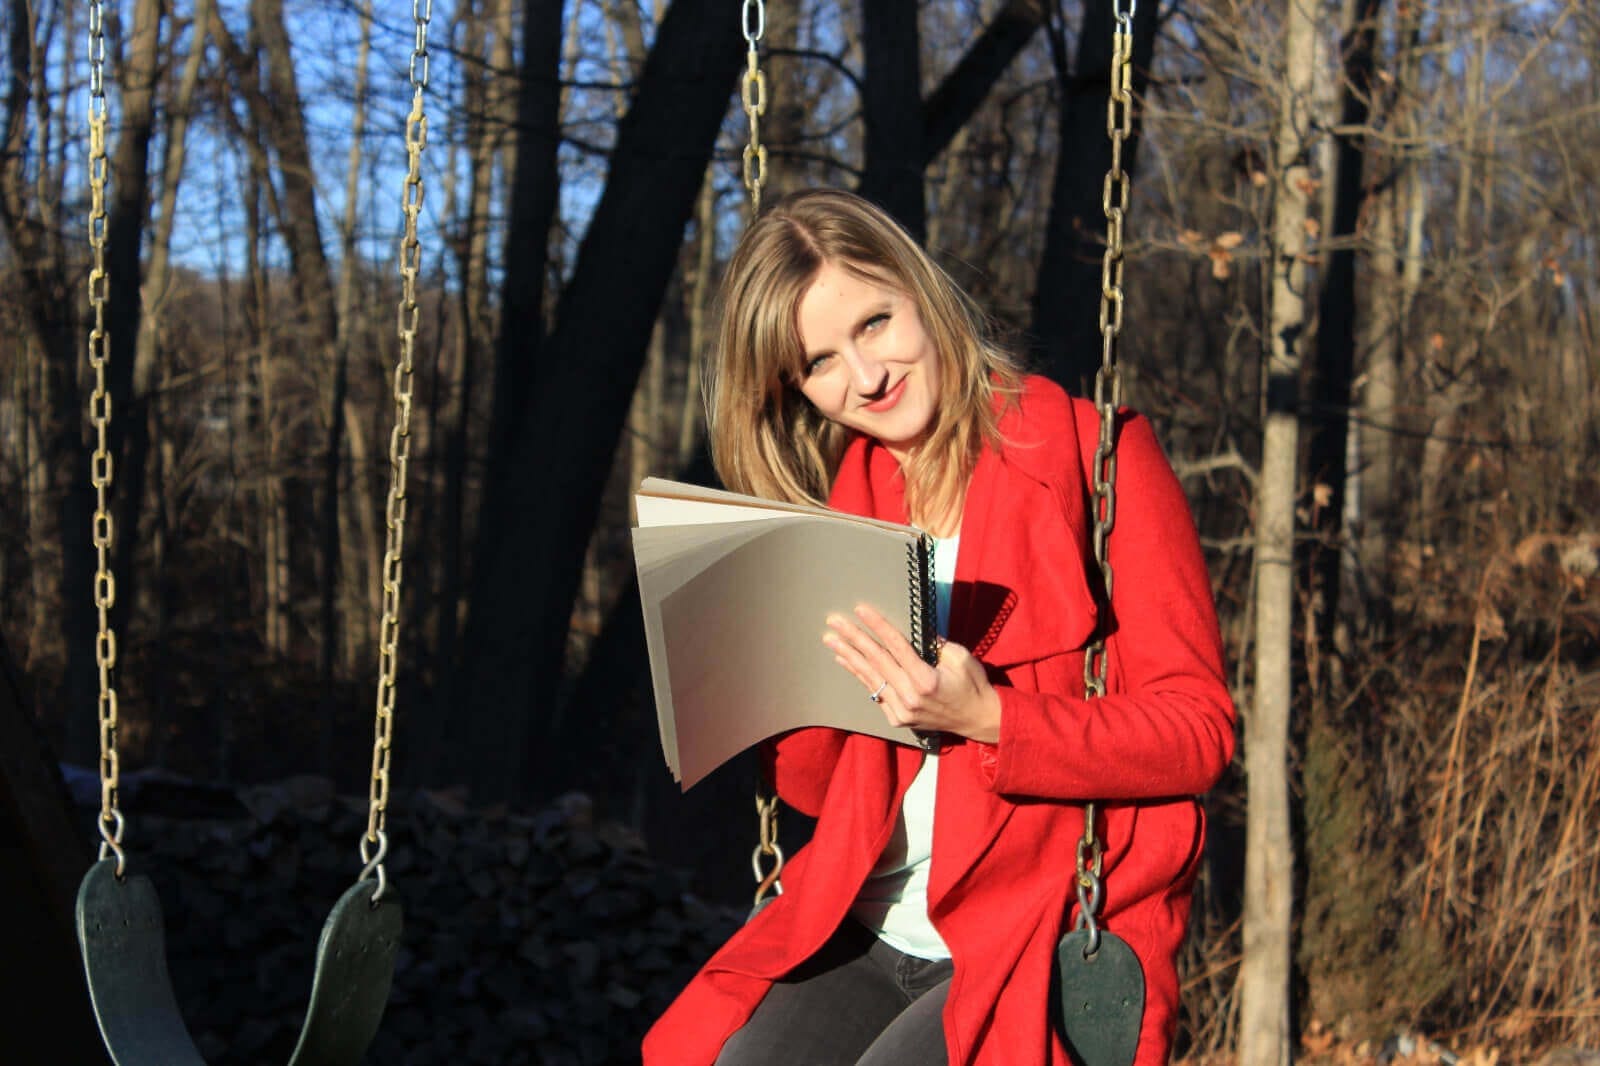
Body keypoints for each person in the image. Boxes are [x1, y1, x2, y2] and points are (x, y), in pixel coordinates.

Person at [643, 188, 1235, 1066]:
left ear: (918, 289)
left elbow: (1200, 733)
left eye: (875, 323)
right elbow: (813, 794)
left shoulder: (1094, 458)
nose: (867, 376)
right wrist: (770, 688)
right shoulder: (842, 513)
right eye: (821, 363)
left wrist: (992, 719)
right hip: (870, 919)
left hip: (1031, 925)